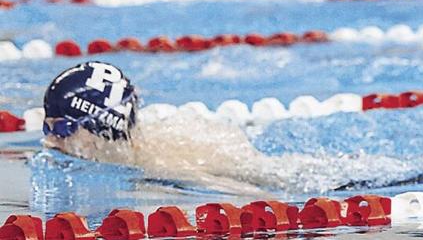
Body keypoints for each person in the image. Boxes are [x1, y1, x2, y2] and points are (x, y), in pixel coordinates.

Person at [41, 61, 280, 195]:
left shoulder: (162, 168)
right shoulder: (122, 159)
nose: (49, 141)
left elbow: (256, 195)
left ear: (103, 128)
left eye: (63, 129)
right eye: (47, 127)